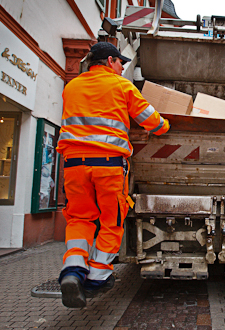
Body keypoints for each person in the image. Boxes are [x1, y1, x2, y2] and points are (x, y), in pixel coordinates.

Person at [56, 42, 170, 308]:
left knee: (79, 217)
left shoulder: (71, 87)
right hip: (108, 164)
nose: (122, 68)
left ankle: (73, 270)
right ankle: (97, 277)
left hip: (73, 165)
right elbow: (151, 120)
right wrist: (166, 125)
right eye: (121, 63)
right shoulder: (121, 86)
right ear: (110, 61)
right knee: (111, 220)